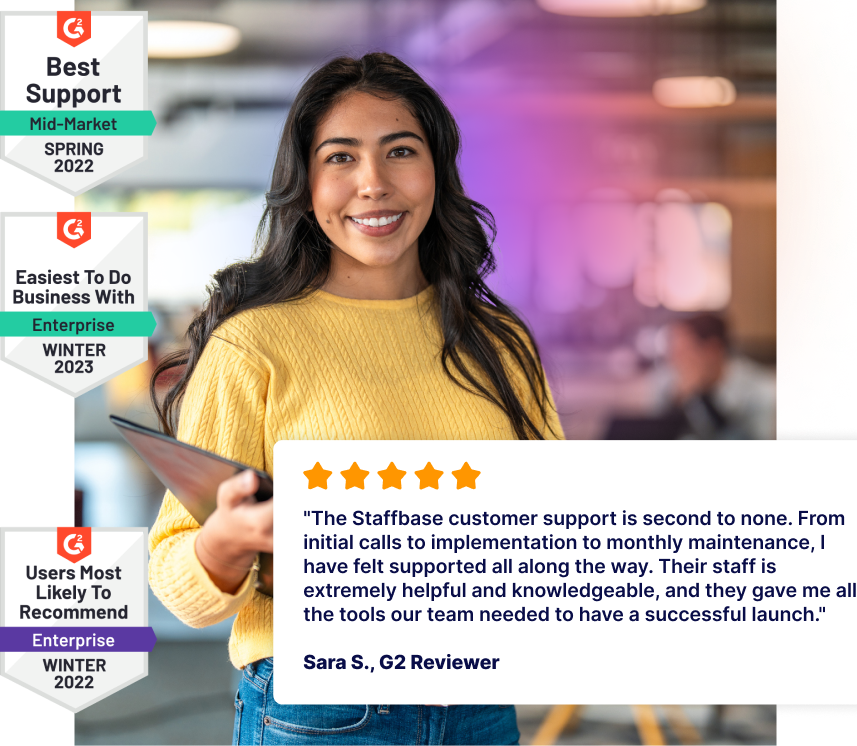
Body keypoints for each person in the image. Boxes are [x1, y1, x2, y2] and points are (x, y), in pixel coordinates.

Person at [147, 52, 562, 745]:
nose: (372, 183)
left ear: (437, 171)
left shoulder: (499, 340)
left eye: (400, 151)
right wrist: (226, 543)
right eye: (341, 157)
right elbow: (175, 574)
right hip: (325, 709)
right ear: (306, 184)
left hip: (480, 707)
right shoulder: (254, 345)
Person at [660, 314, 776, 440]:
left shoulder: (766, 393)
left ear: (712, 350)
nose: (674, 362)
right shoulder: (674, 385)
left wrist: (703, 397)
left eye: (683, 352)